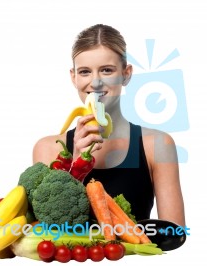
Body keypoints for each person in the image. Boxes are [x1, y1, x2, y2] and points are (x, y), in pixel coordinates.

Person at [33, 24, 185, 226]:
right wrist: (77, 164)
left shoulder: (157, 145)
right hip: (74, 258)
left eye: (106, 70)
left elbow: (175, 232)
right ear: (74, 77)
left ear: (126, 74)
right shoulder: (48, 149)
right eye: (85, 72)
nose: (95, 83)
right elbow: (40, 232)